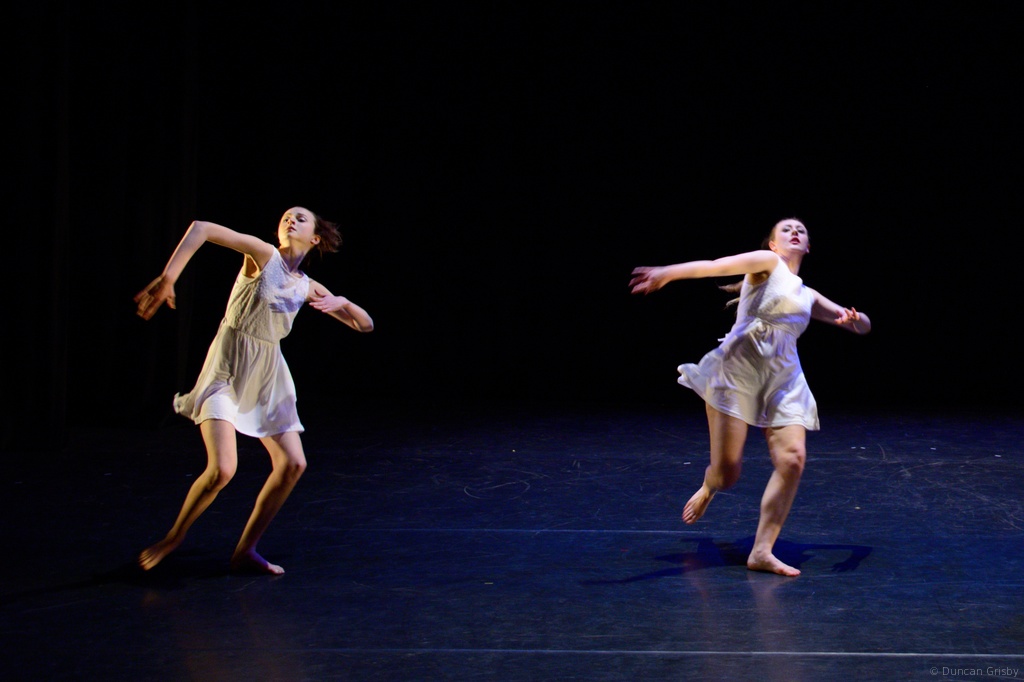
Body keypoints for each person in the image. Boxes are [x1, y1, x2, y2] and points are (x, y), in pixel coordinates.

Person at [133, 206, 374, 575]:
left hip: (267, 375)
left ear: (315, 238)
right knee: (222, 470)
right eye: (286, 216)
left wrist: (343, 302)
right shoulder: (263, 255)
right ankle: (174, 537)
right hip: (228, 368)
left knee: (293, 464)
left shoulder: (308, 286)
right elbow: (201, 228)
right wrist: (169, 278)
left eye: (300, 218)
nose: (290, 219)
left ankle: (245, 551)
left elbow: (364, 325)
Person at [629, 218, 870, 577]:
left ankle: (761, 551)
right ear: (772, 244)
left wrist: (854, 317)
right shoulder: (767, 263)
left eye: (801, 230)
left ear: (807, 247)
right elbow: (716, 266)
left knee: (793, 459)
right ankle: (709, 485)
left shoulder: (807, 294)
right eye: (786, 229)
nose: (794, 232)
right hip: (737, 372)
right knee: (728, 474)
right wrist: (668, 273)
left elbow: (862, 325)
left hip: (784, 380)